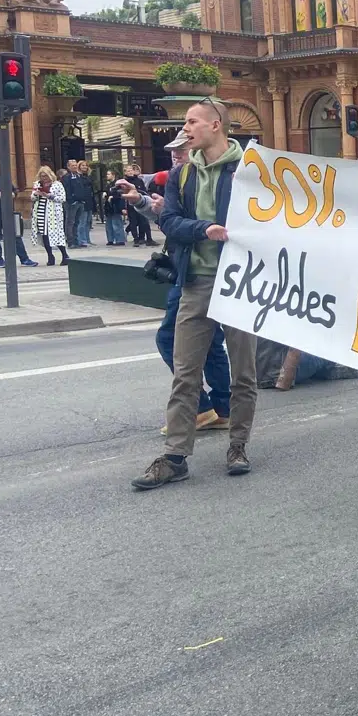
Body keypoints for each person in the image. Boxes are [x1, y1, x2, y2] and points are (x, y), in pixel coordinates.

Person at [130, 98, 258, 491]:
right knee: (185, 373)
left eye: (191, 121)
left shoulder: (250, 171)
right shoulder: (183, 175)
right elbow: (168, 220)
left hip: (241, 283)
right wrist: (204, 229)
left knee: (244, 373)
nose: (185, 128)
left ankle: (238, 446)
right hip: (197, 282)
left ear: (216, 125)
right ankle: (175, 457)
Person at [122, 133, 233, 435]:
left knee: (170, 338)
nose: (175, 156)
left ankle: (201, 408)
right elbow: (172, 219)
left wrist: (157, 208)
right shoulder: (181, 178)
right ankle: (222, 408)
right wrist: (146, 203)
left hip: (200, 272)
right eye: (173, 151)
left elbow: (188, 220)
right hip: (191, 268)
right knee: (210, 342)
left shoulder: (214, 175)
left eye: (181, 150)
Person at [0, 159, 36, 267]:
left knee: (15, 235)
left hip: (8, 211)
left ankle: (24, 259)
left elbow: (14, 190)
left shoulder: (5, 179)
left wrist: (13, 194)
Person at [30, 166, 69, 266]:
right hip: (41, 212)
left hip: (54, 213)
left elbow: (62, 198)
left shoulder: (57, 184)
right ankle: (50, 256)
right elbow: (32, 197)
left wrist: (49, 195)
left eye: (46, 176)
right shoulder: (37, 184)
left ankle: (65, 255)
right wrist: (36, 194)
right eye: (42, 176)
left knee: (57, 234)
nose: (44, 178)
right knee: (44, 234)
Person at [67, 160, 95, 247]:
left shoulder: (82, 177)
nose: (84, 167)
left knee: (86, 221)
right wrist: (72, 200)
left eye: (86, 165)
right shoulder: (68, 177)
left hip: (85, 201)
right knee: (76, 222)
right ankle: (77, 240)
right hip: (75, 202)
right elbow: (68, 189)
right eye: (82, 165)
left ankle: (85, 239)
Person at [102, 169, 127, 245]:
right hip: (109, 207)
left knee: (116, 223)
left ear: (113, 175)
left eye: (109, 174)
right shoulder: (108, 184)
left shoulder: (118, 184)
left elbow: (120, 195)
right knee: (109, 224)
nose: (107, 176)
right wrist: (105, 194)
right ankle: (110, 239)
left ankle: (120, 240)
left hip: (116, 206)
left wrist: (113, 196)